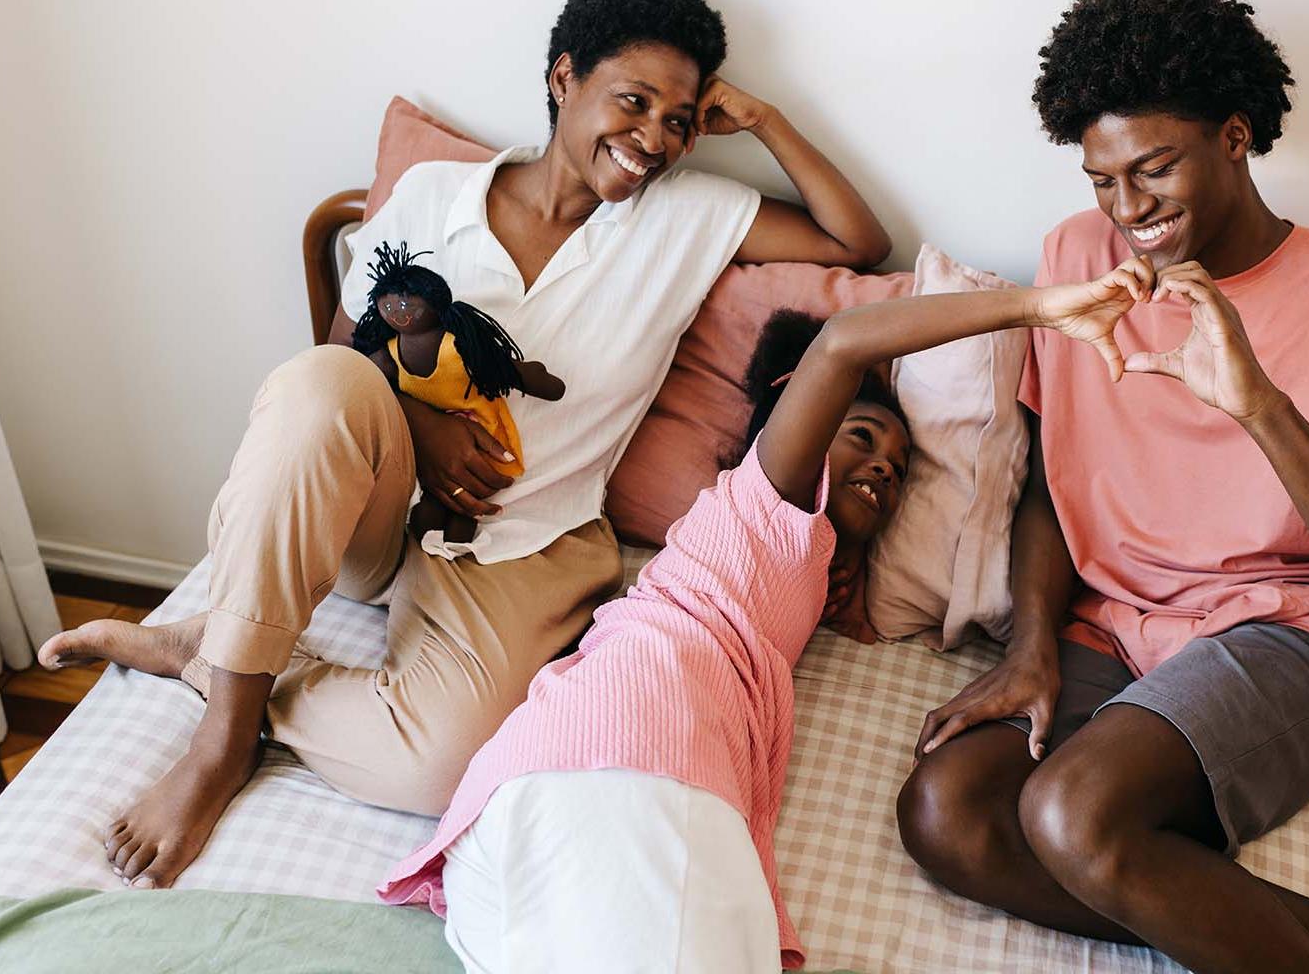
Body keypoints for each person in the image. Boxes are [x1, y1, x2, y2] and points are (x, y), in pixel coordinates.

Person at [36, 0, 891, 890]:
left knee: (437, 768)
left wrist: (762, 121)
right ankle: (220, 744)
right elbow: (338, 357)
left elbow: (858, 244)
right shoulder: (434, 197)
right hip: (376, 504)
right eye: (632, 102)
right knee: (316, 386)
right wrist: (422, 429)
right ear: (564, 77)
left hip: (523, 543)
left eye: (679, 121)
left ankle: (212, 654)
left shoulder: (690, 217)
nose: (652, 139)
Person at [895, 0, 1309, 974]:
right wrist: (1031, 647)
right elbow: (1048, 477)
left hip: (1285, 639)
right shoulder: (1078, 256)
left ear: (1235, 136)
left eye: (1153, 170)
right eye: (1101, 180)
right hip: (1112, 625)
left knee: (1068, 815)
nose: (1127, 210)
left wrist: (1257, 405)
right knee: (945, 813)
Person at [377, 259, 1162, 974]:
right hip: (628, 753)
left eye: (896, 473)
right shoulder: (760, 501)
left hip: (556, 790)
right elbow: (844, 345)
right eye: (861, 437)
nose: (884, 469)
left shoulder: (801, 562)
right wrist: (1036, 307)